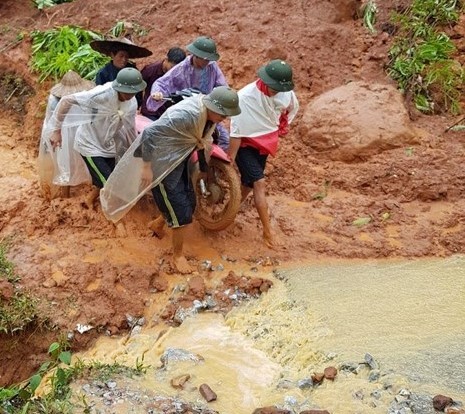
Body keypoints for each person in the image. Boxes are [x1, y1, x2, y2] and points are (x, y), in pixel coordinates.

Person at [100, 86, 241, 274]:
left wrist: (204, 168)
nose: (225, 118)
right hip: (160, 159)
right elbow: (150, 133)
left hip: (177, 155)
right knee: (180, 211)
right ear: (213, 108)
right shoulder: (186, 115)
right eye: (223, 114)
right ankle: (177, 256)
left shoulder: (208, 118)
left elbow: (201, 142)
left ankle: (157, 224)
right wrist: (146, 167)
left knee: (190, 202)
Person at [47, 67, 146, 209]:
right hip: (90, 144)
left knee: (110, 178)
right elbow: (66, 101)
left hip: (109, 145)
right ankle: (114, 216)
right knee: (110, 183)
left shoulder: (132, 103)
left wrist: (136, 153)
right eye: (128, 92)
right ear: (119, 87)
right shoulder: (101, 95)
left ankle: (90, 199)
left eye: (135, 92)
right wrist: (57, 130)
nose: (131, 95)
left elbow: (130, 129)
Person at [228, 59, 299, 248]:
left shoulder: (286, 94)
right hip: (245, 143)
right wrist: (230, 159)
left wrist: (283, 124)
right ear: (265, 82)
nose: (276, 91)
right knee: (259, 182)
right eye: (273, 87)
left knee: (248, 183)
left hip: (266, 141)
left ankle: (229, 212)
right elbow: (236, 130)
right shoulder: (244, 97)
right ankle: (267, 232)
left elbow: (292, 109)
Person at [146, 36, 230, 149]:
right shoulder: (182, 68)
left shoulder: (212, 66)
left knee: (224, 139)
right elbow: (163, 83)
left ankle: (214, 165)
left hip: (208, 110)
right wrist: (158, 93)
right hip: (187, 114)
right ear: (196, 55)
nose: (207, 62)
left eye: (209, 59)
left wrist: (220, 98)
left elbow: (221, 86)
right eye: (204, 59)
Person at [38, 70, 94, 199]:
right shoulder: (54, 100)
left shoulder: (83, 96)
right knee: (64, 164)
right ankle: (65, 197)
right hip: (61, 135)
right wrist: (55, 135)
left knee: (78, 161)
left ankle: (82, 188)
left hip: (76, 132)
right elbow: (51, 121)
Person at [91, 37, 152, 107]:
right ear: (112, 55)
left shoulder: (132, 71)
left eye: (126, 57)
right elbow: (100, 96)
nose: (124, 59)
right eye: (121, 56)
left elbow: (138, 94)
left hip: (129, 107)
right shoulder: (103, 73)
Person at [140, 47, 186, 120]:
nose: (174, 71)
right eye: (172, 67)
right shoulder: (150, 70)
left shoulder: (179, 74)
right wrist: (138, 105)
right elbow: (138, 86)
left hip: (167, 114)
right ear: (166, 59)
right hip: (150, 112)